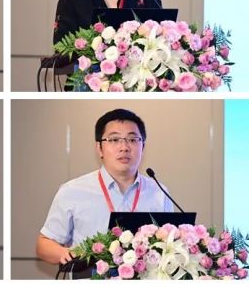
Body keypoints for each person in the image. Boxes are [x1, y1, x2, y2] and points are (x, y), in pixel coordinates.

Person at [36, 108, 174, 265]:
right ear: (99, 148)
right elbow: (44, 244)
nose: (124, 147)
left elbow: (170, 243)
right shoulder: (72, 191)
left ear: (143, 147)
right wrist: (65, 254)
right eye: (114, 140)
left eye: (133, 139)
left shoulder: (159, 192)